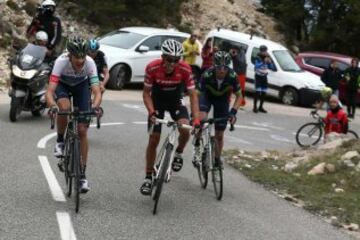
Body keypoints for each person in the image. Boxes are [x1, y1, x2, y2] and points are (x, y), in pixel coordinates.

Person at [140, 39, 200, 195]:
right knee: (154, 138)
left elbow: (193, 96)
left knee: (185, 129)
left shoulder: (185, 69)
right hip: (157, 101)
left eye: (176, 60)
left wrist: (197, 119)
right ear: (162, 56)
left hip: (176, 100)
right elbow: (146, 93)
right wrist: (151, 112)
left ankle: (179, 152)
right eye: (169, 59)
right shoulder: (152, 67)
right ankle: (148, 177)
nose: (172, 63)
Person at [46, 36, 102, 193]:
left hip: (81, 85)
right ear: (69, 55)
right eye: (76, 57)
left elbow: (97, 91)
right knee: (64, 106)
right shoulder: (61, 62)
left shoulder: (89, 63)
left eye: (83, 56)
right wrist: (53, 106)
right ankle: (60, 141)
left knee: (83, 130)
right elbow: (49, 92)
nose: (80, 60)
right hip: (62, 84)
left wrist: (95, 107)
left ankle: (82, 175)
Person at [197, 51, 242, 167]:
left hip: (222, 100)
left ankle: (217, 159)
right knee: (201, 119)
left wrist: (233, 113)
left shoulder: (232, 76)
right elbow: (196, 94)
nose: (222, 70)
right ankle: (197, 144)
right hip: (206, 96)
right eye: (219, 67)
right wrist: (194, 114)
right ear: (214, 66)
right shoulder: (207, 74)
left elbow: (239, 96)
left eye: (225, 68)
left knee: (220, 134)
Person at [253, 45, 275, 113]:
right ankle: (255, 107)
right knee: (257, 92)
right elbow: (256, 66)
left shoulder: (267, 57)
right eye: (263, 51)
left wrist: (270, 62)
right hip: (258, 76)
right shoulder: (257, 57)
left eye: (265, 51)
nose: (264, 52)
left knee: (264, 93)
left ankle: (261, 107)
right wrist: (263, 62)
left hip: (264, 77)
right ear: (260, 51)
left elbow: (271, 67)